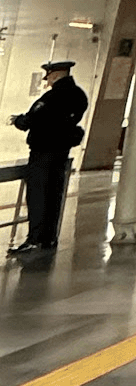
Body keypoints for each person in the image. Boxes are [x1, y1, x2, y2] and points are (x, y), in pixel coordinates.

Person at [9, 60, 87, 257]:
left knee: (38, 197)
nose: (48, 80)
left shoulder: (51, 97)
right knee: (54, 195)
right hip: (62, 152)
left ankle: (34, 239)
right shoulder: (79, 96)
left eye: (50, 76)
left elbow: (30, 120)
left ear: (55, 75)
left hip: (43, 152)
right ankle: (49, 238)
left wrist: (17, 120)